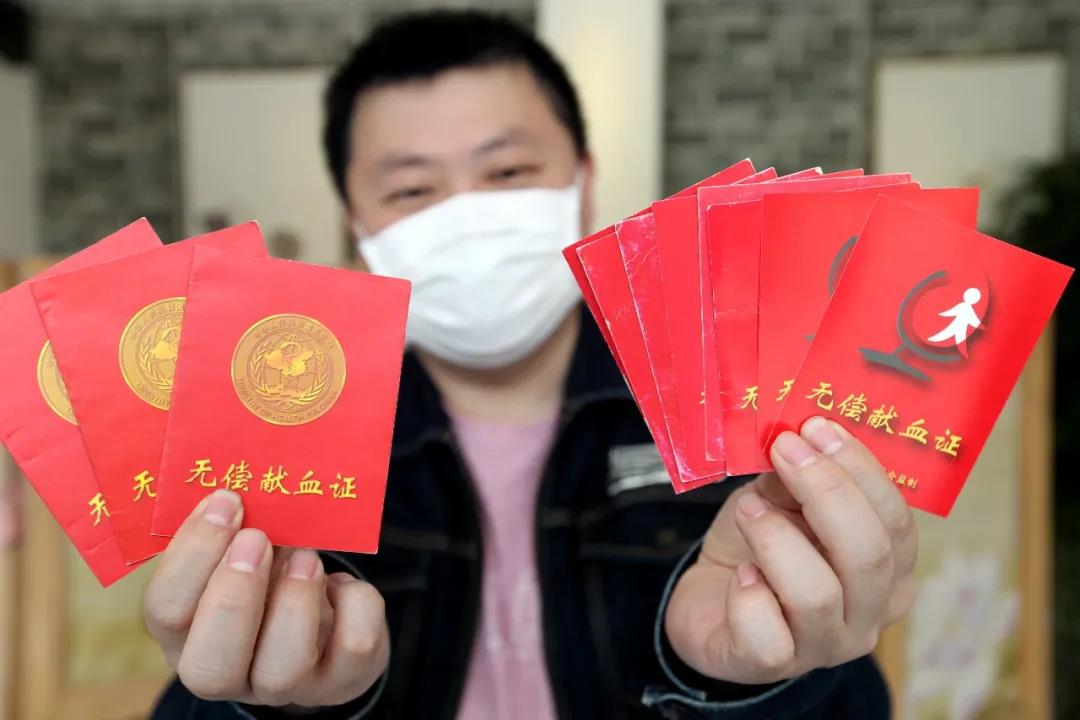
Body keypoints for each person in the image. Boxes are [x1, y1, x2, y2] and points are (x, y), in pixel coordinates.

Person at [150, 10, 915, 719]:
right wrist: (264, 700)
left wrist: (758, 674)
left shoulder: (733, 415)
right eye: (412, 189)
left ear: (582, 183)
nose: (466, 217)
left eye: (508, 172)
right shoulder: (285, 446)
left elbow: (856, 702)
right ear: (358, 226)